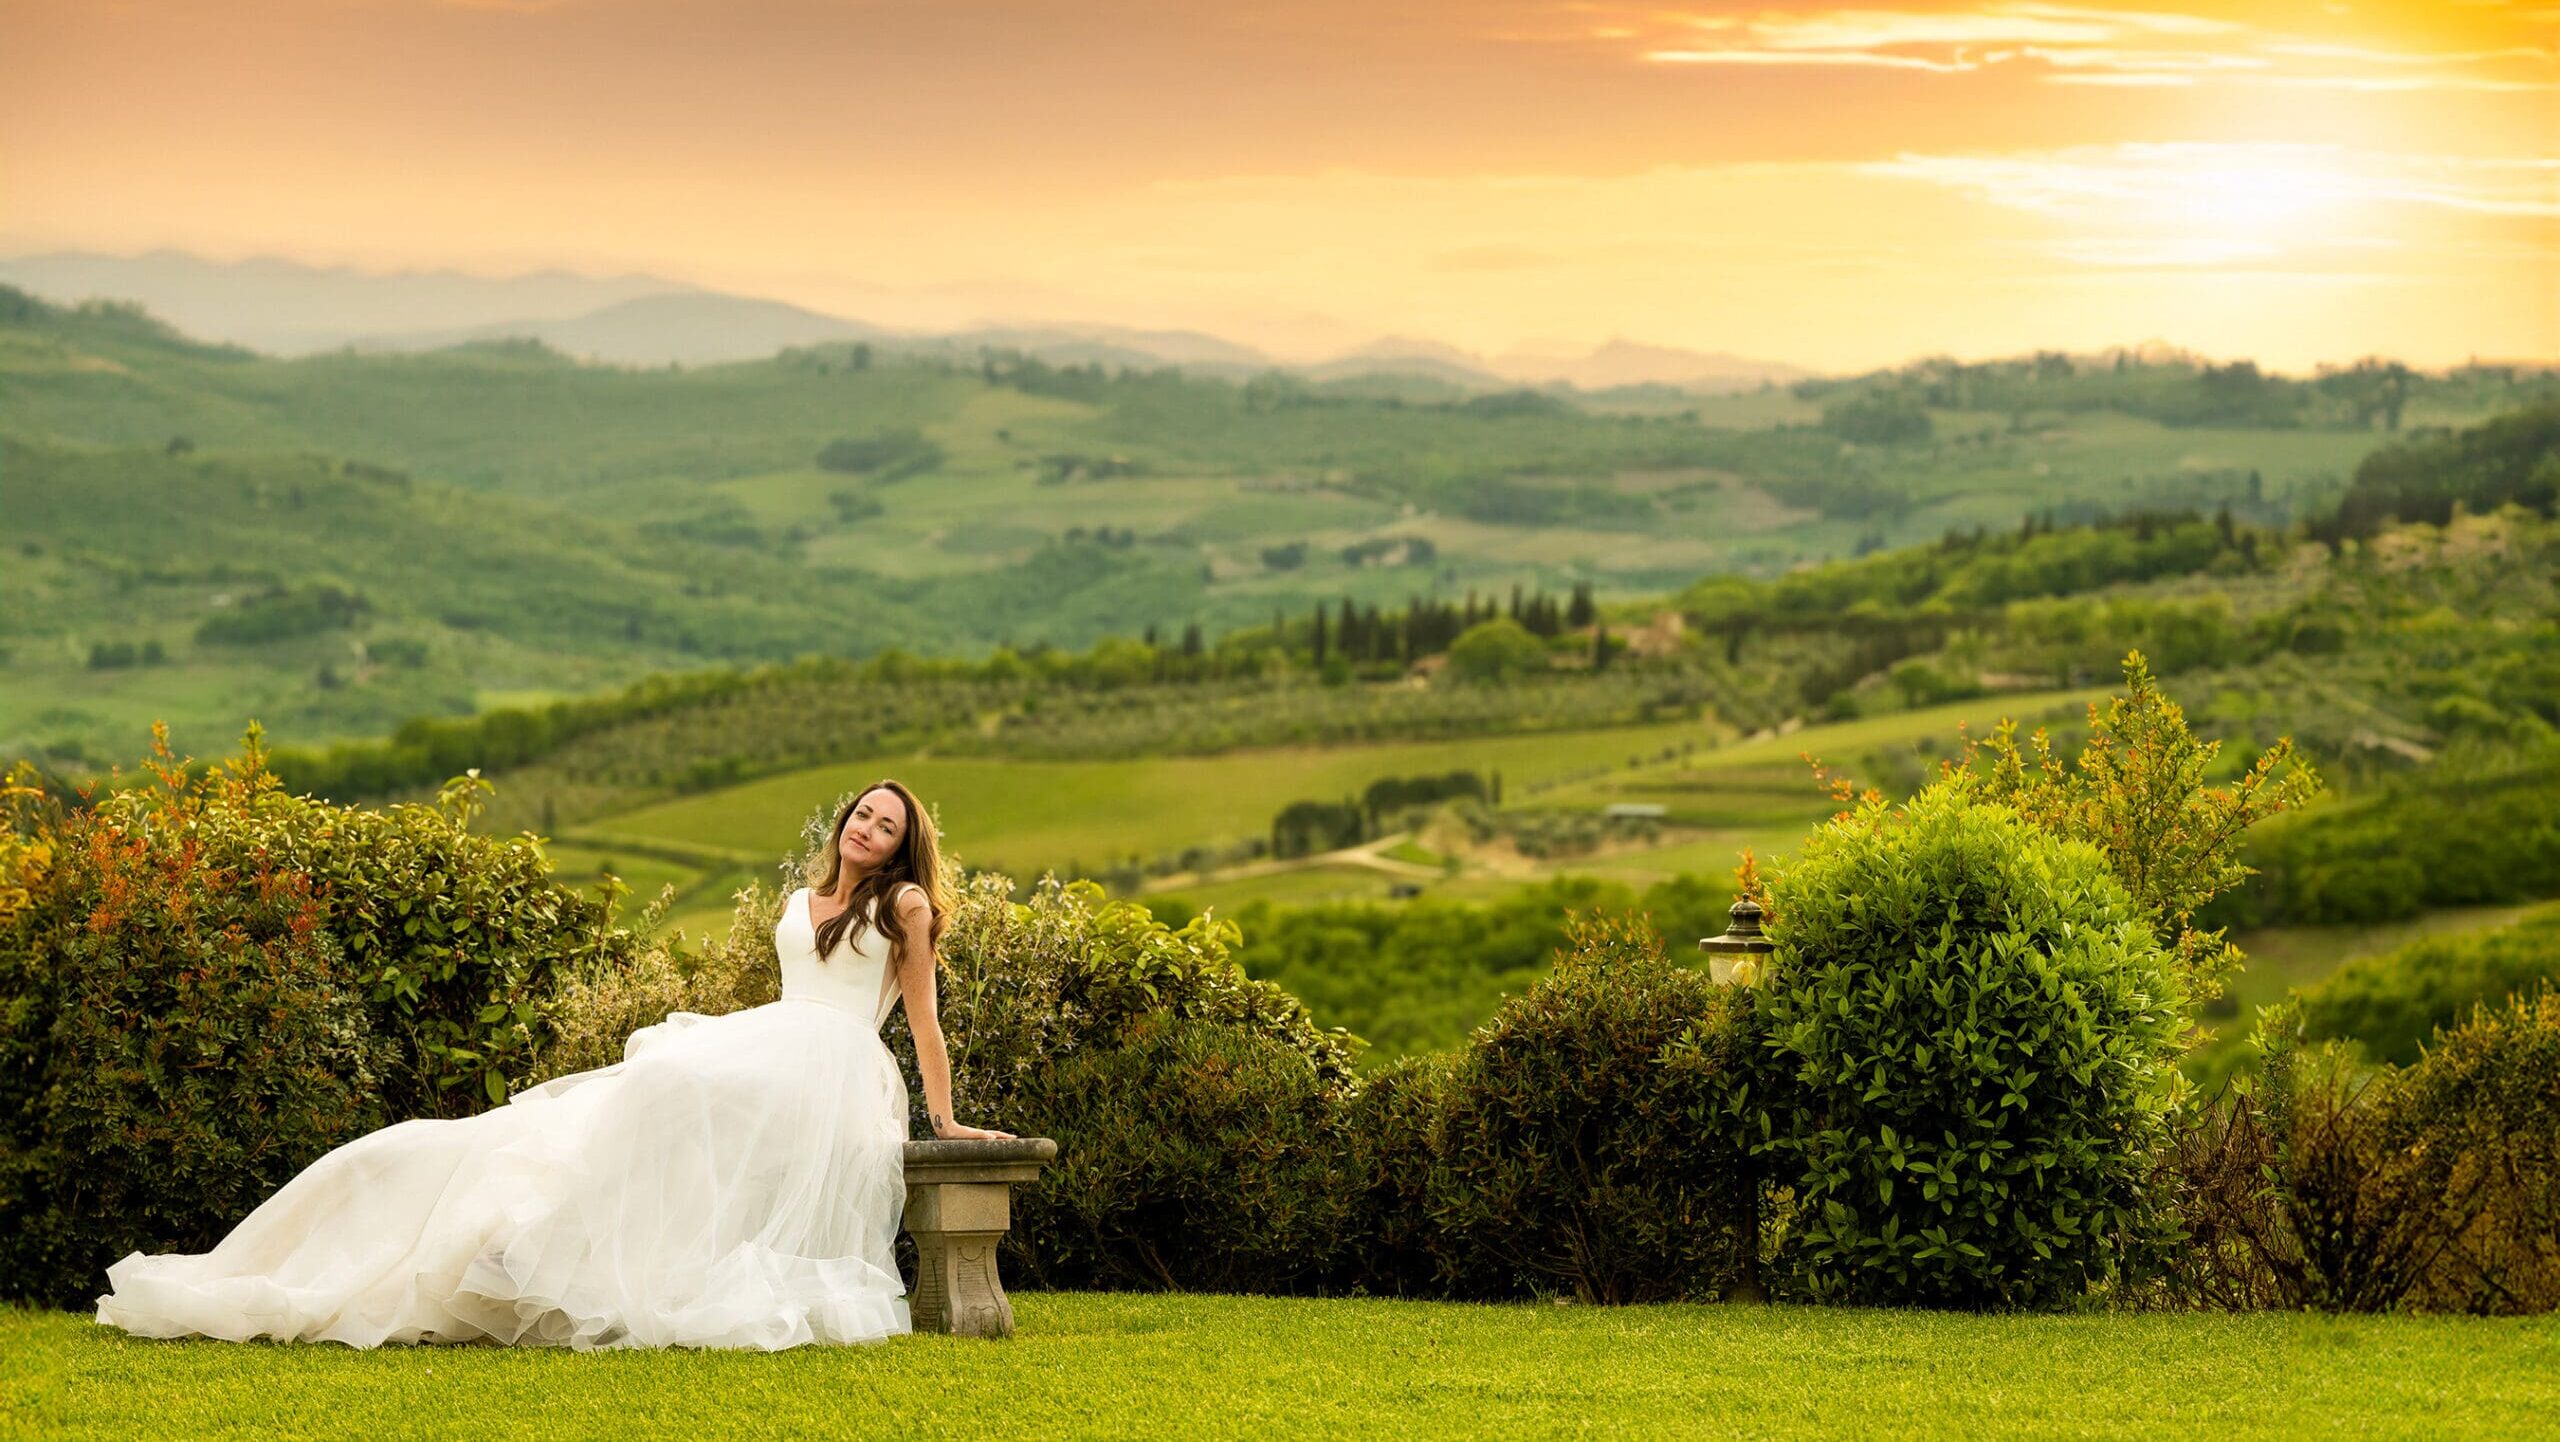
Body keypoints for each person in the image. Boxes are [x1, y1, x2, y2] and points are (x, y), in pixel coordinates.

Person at [95, 780, 1010, 1351]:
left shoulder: (908, 906)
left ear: (902, 845)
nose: (868, 830)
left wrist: (943, 1117)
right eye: (862, 815)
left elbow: (922, 1021)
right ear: (846, 821)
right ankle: (532, 1236)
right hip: (773, 1036)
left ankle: (606, 1255)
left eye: (887, 826)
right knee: (647, 1088)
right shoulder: (798, 897)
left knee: (670, 1083)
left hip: (835, 1063)